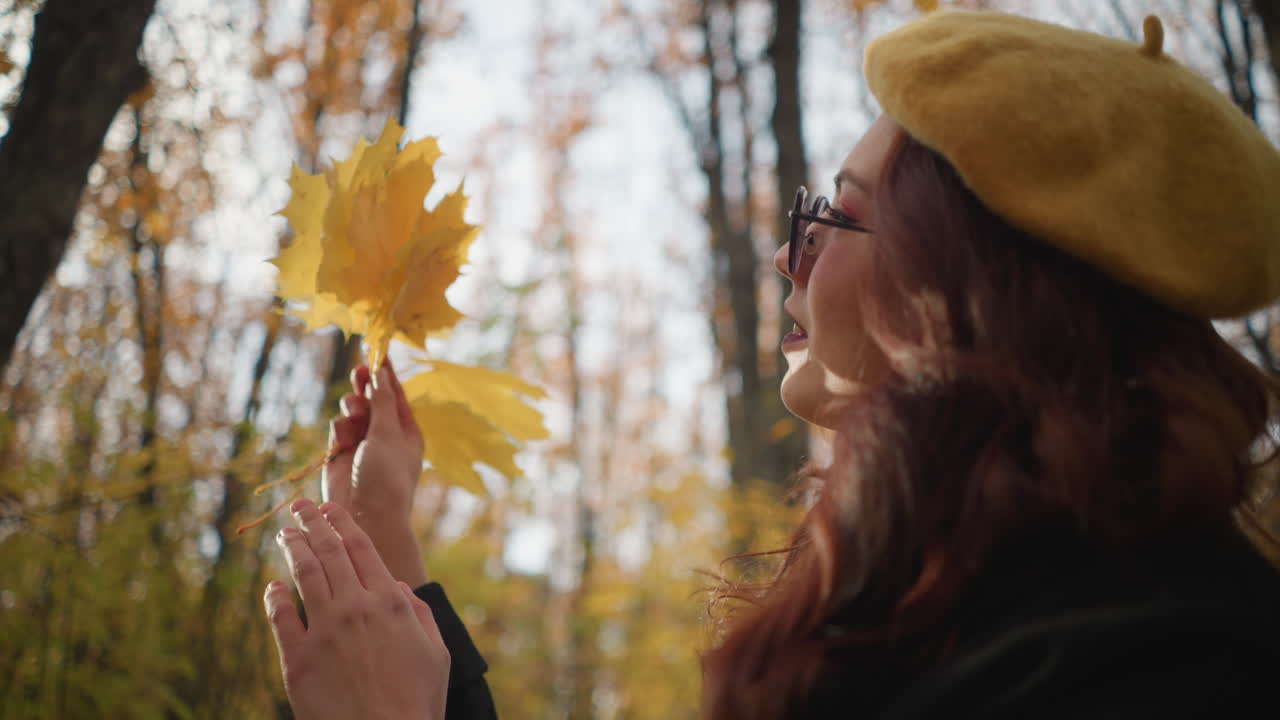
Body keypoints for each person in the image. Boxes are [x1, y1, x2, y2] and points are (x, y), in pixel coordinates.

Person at [262, 10, 1280, 720]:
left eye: (835, 212)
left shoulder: (1162, 658)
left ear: (967, 289)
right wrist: (386, 545)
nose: (788, 255)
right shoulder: (942, 593)